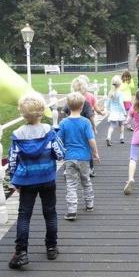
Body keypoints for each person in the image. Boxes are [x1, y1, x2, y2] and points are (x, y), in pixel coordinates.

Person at [8, 93, 65, 269]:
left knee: (24, 215)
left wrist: (14, 180)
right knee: (50, 212)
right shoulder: (49, 131)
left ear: (23, 114)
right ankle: (51, 247)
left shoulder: (18, 135)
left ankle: (21, 253)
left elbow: (12, 160)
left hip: (27, 181)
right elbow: (61, 153)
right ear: (41, 112)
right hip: (47, 178)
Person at [58, 92, 100, 221]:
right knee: (86, 180)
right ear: (82, 106)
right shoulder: (86, 122)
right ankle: (89, 204)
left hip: (70, 158)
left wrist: (59, 154)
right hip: (84, 158)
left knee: (71, 184)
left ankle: (71, 211)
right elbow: (91, 140)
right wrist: (95, 153)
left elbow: (59, 140)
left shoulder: (64, 123)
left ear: (68, 107)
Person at [70, 77, 98, 177]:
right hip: (84, 128)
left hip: (72, 128)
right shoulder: (85, 103)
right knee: (87, 148)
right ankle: (90, 169)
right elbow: (90, 116)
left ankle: (68, 168)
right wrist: (94, 127)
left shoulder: (70, 101)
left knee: (72, 146)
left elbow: (64, 111)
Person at [106, 75, 127, 146]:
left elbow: (108, 102)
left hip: (113, 112)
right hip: (120, 112)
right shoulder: (120, 93)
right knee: (121, 125)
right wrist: (124, 112)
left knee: (112, 125)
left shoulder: (110, 92)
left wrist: (108, 109)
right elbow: (121, 103)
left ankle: (108, 137)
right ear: (120, 83)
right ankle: (121, 137)